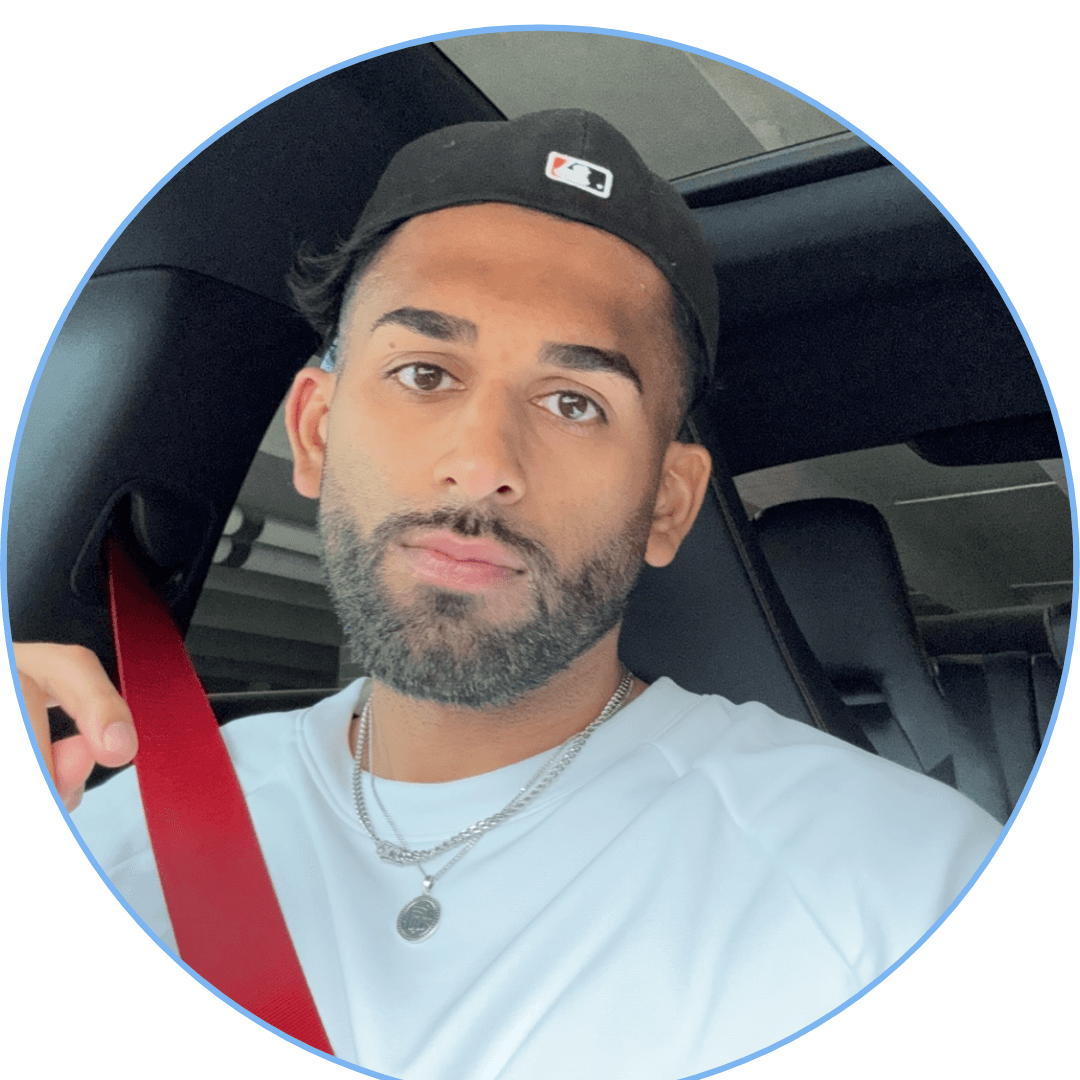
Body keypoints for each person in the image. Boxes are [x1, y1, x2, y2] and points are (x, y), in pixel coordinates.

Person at [15, 110, 1000, 1080]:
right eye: (424, 372)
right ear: (315, 432)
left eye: (575, 402)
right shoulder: (111, 835)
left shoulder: (901, 890)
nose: (483, 462)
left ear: (667, 503)